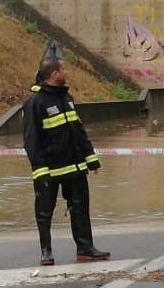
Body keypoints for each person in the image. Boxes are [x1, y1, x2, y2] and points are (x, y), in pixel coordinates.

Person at [22, 56, 109, 265]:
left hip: (75, 167)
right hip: (49, 171)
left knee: (80, 208)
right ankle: (46, 252)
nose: (66, 72)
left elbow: (79, 131)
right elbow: (31, 141)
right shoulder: (35, 102)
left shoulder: (67, 98)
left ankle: (85, 248)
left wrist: (91, 159)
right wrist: (40, 170)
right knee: (44, 212)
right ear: (54, 74)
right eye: (64, 69)